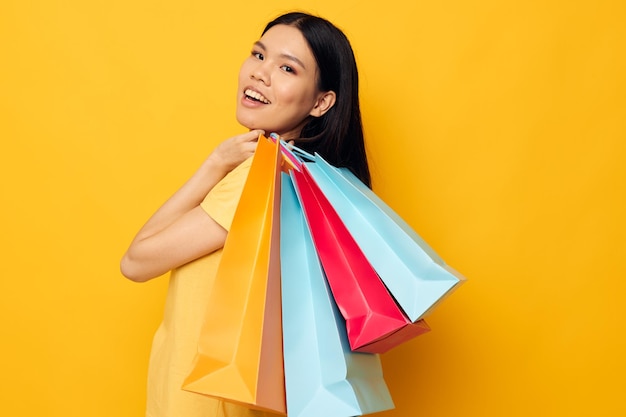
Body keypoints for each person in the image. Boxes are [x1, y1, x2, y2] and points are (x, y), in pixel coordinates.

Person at [121, 11, 370, 417]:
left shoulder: (259, 181)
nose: (261, 74)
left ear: (322, 102)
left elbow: (135, 262)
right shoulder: (310, 180)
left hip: (202, 405)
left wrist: (214, 164)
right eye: (259, 55)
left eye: (287, 68)